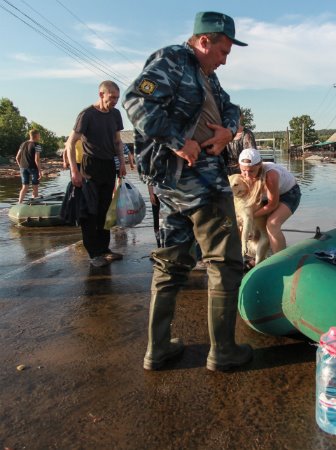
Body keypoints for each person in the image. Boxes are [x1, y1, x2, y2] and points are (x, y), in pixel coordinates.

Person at [123, 11, 252, 372]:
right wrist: (180, 142)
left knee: (172, 264)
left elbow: (231, 108)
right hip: (197, 184)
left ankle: (159, 349)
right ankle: (223, 352)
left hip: (176, 188)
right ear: (203, 41)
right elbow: (135, 101)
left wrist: (227, 131)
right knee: (224, 263)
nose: (226, 59)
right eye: (223, 50)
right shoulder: (173, 61)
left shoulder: (206, 75)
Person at [65, 80, 126, 268]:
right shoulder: (87, 114)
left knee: (106, 211)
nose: (115, 101)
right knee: (90, 212)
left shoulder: (116, 114)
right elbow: (70, 143)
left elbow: (117, 142)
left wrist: (122, 163)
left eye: (117, 97)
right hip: (89, 167)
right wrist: (74, 171)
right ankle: (93, 253)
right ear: (101, 94)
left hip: (108, 166)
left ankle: (104, 249)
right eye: (112, 97)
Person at [238, 148, 301, 253]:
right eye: (243, 170)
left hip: (288, 194)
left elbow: (272, 205)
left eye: (251, 171)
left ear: (259, 165)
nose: (247, 175)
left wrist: (250, 216)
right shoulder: (241, 176)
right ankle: (253, 256)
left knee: (272, 224)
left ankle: (280, 259)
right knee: (245, 223)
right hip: (265, 197)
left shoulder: (270, 175)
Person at [224, 109, 256, 175]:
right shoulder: (222, 133)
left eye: (235, 117)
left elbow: (250, 157)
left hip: (243, 171)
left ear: (240, 117)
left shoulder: (247, 134)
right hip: (225, 171)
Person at [15, 129, 42, 204]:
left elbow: (17, 157)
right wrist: (40, 171)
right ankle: (35, 204)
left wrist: (20, 166)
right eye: (39, 135)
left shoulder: (23, 144)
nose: (39, 136)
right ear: (36, 135)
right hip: (33, 168)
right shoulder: (37, 145)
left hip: (23, 168)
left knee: (24, 187)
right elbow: (37, 160)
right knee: (35, 187)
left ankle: (19, 203)